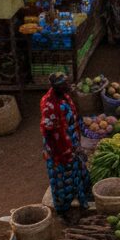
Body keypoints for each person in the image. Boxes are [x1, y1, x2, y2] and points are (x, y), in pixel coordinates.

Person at [40, 74, 91, 220]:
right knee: (62, 182)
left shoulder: (65, 97)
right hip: (58, 151)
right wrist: (65, 151)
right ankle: (64, 212)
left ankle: (83, 201)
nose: (69, 85)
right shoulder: (49, 105)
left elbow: (74, 119)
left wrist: (81, 140)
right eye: (66, 83)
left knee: (79, 173)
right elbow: (50, 132)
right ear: (58, 87)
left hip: (72, 145)